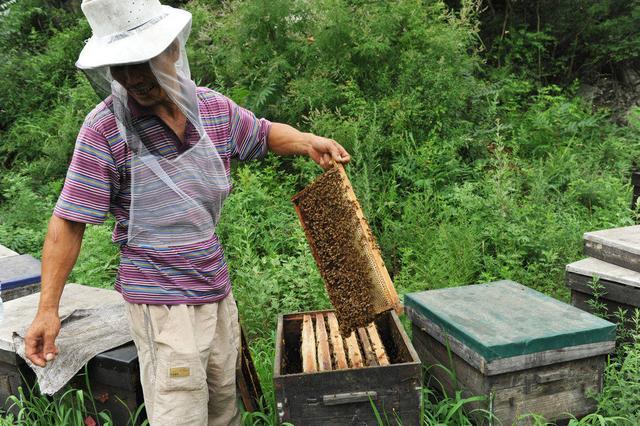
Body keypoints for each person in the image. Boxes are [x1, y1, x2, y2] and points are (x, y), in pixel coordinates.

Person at [23, 0, 350, 425]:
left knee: (223, 407)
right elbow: (68, 220)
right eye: (119, 65)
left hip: (215, 288)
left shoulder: (212, 107)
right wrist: (48, 308)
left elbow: (263, 132)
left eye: (141, 60)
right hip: (161, 306)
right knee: (180, 414)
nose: (131, 77)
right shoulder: (104, 127)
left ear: (174, 49)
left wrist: (308, 141)